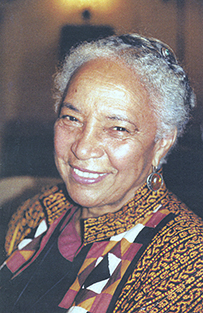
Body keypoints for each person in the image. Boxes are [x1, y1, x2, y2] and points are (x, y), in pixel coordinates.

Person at [1, 34, 203, 313]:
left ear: (161, 143)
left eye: (118, 128)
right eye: (71, 118)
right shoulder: (38, 212)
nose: (82, 148)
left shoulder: (184, 258)